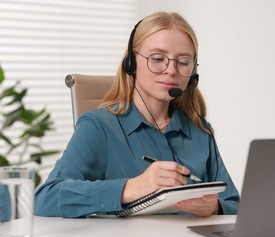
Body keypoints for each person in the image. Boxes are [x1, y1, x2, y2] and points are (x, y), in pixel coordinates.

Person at [35, 11, 240, 218]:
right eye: (158, 58)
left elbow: (235, 204)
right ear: (131, 63)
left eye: (183, 62)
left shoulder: (199, 131)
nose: (171, 70)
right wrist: (131, 188)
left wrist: (215, 208)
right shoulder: (99, 127)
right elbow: (45, 198)